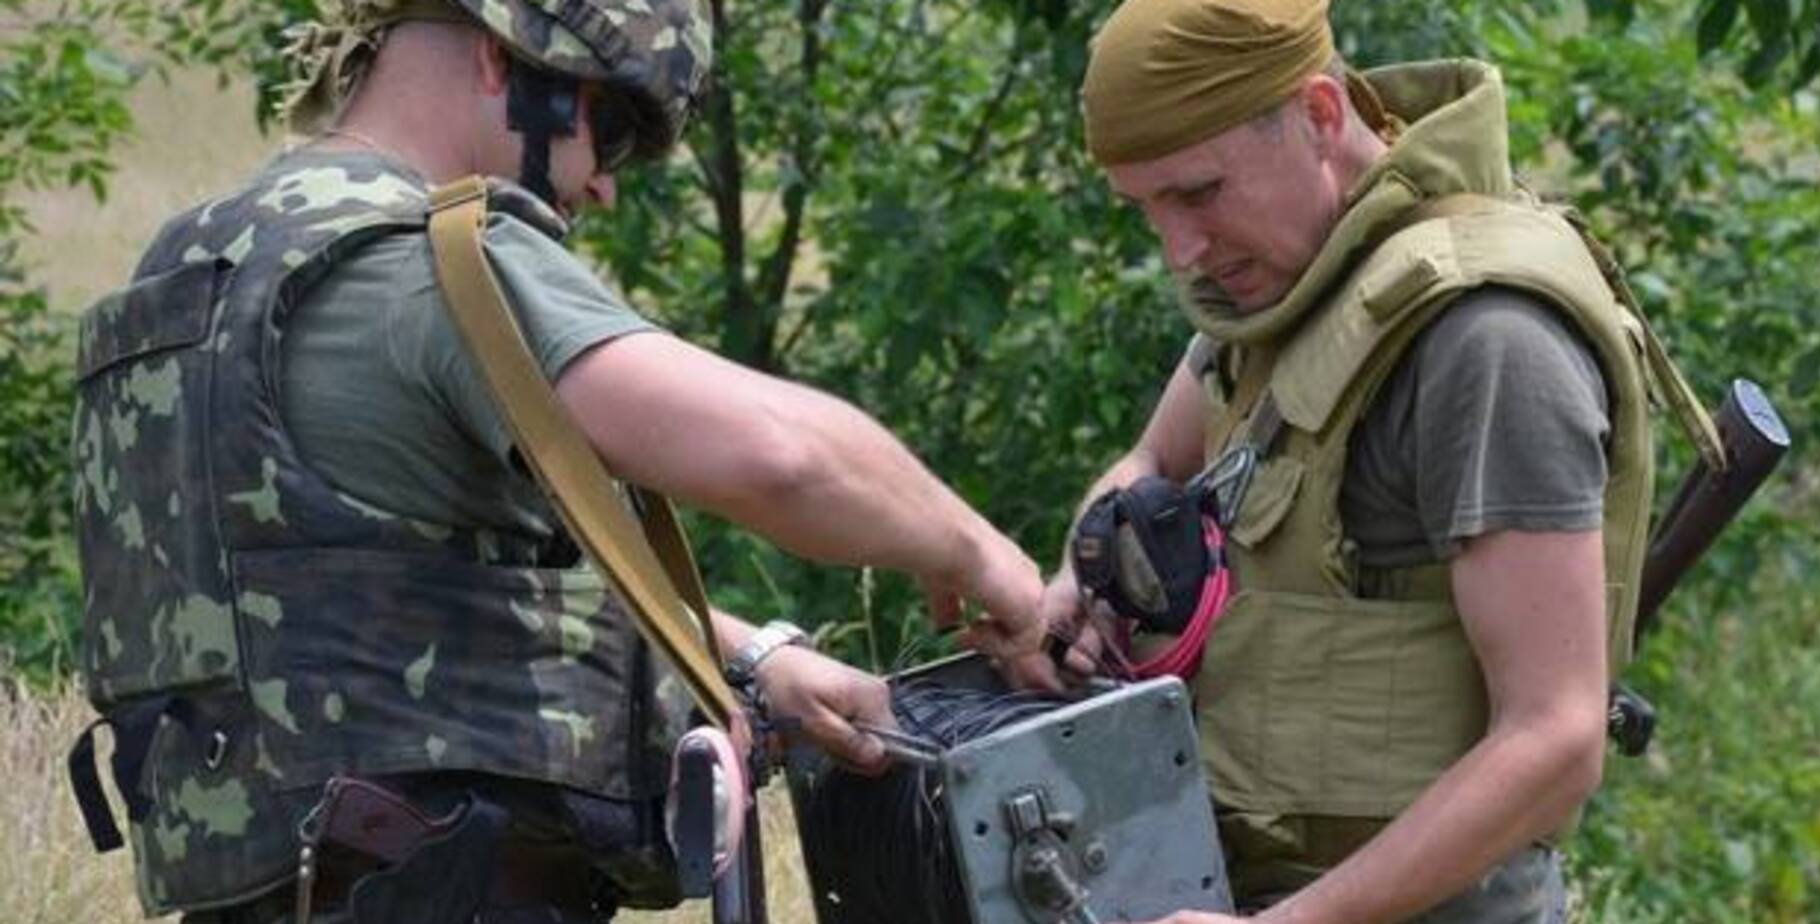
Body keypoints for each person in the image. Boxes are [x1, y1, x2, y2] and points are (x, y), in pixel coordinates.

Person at [67, 1, 1048, 921]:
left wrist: (750, 659)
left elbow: (362, 592)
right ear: (504, 57)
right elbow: (781, 458)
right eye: (609, 126)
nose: (606, 181)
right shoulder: (432, 261)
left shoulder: (195, 269)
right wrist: (975, 553)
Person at [1036, 1, 1709, 921]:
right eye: (1145, 207)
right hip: (1238, 874)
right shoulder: (1300, 265)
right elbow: (1157, 453)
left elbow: (1554, 741)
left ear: (1318, 114)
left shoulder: (1488, 343)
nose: (1178, 250)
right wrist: (1083, 573)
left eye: (1198, 193)